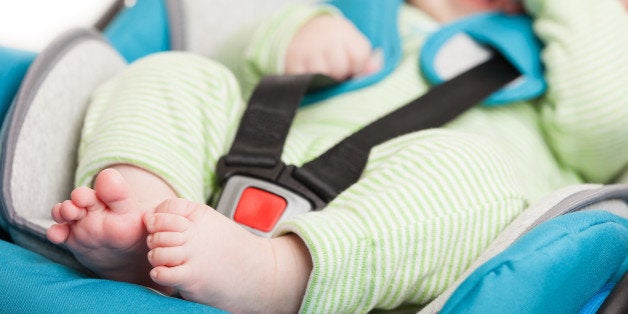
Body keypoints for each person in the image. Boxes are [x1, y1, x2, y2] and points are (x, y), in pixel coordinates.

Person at [45, 0, 628, 312]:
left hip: (391, 224)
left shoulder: (569, 67)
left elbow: (605, 126)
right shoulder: (369, 10)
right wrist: (298, 31)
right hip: (237, 164)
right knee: (175, 72)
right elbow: (240, 56)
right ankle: (143, 213)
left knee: (474, 171)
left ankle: (280, 278)